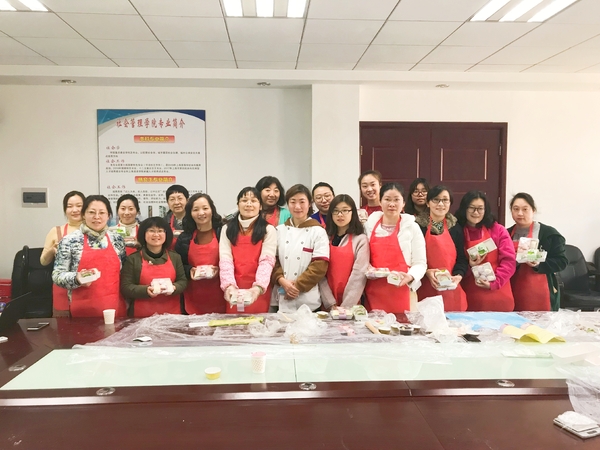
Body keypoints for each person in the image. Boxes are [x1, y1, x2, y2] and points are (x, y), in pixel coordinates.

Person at [52, 195, 126, 317]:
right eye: (91, 212)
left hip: (114, 309)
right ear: (83, 215)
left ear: (108, 216)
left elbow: (124, 273)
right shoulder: (69, 241)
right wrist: (77, 278)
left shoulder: (117, 240)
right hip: (82, 310)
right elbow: (57, 275)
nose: (97, 217)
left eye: (102, 212)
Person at [364, 183, 427, 313]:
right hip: (374, 291)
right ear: (380, 202)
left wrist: (410, 276)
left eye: (396, 200)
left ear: (403, 203)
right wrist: (368, 268)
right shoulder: (369, 225)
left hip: (403, 290)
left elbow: (420, 263)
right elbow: (362, 257)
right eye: (387, 199)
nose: (392, 204)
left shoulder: (411, 227)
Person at [272, 184, 329, 313]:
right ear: (288, 204)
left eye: (302, 202)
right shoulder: (279, 230)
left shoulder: (318, 231)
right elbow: (273, 261)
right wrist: (282, 281)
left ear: (309, 204)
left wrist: (297, 286)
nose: (297, 207)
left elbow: (320, 265)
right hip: (282, 294)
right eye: (293, 202)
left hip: (308, 299)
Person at [455, 190, 516, 312]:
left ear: (485, 210)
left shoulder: (498, 230)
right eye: (471, 208)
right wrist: (469, 265)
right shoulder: (457, 231)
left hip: (499, 294)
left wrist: (495, 282)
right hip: (470, 295)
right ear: (464, 209)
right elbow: (455, 262)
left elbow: (509, 261)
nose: (476, 212)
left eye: (480, 208)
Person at [219, 187, 277, 313]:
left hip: (258, 289)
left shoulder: (268, 230)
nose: (249, 204)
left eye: (253, 201)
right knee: (234, 323)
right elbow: (225, 260)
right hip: (234, 288)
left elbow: (267, 262)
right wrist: (229, 286)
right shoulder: (227, 229)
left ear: (260, 206)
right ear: (238, 205)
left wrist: (258, 288)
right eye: (244, 200)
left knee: (258, 322)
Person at [507, 193, 568, 311]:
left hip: (540, 291)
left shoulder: (549, 234)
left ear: (533, 210)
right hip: (512, 289)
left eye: (525, 209)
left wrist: (539, 264)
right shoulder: (506, 233)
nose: (520, 213)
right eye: (516, 209)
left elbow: (561, 262)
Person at [121, 217, 187, 317]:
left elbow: (183, 281)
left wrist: (174, 287)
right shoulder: (133, 259)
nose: (156, 235)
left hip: (172, 316)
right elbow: (126, 286)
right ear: (143, 234)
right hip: (141, 317)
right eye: (151, 231)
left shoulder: (175, 257)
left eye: (160, 231)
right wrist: (146, 290)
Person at [415, 186, 468, 311]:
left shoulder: (455, 227)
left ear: (450, 203)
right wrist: (426, 272)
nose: (440, 204)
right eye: (436, 200)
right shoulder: (418, 226)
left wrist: (458, 276)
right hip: (424, 288)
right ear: (428, 203)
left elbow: (461, 259)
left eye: (445, 200)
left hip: (451, 289)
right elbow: (411, 259)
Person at [175, 193, 224, 314]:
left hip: (222, 294)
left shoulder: (223, 233)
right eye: (195, 210)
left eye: (205, 208)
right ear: (190, 213)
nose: (201, 213)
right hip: (193, 295)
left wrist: (221, 269)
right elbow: (177, 266)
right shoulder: (184, 238)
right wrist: (189, 270)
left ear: (212, 210)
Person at [319, 194, 369, 310]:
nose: (340, 215)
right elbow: (320, 273)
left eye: (345, 210)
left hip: (351, 305)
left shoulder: (360, 240)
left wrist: (346, 307)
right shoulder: (324, 238)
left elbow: (359, 275)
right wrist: (330, 303)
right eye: (336, 211)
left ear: (353, 213)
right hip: (326, 302)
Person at [40, 190, 85, 315]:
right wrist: (52, 250)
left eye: (79, 206)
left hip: (86, 287)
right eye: (69, 206)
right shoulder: (56, 231)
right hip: (62, 289)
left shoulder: (92, 231)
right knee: (62, 324)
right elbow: (43, 261)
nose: (74, 210)